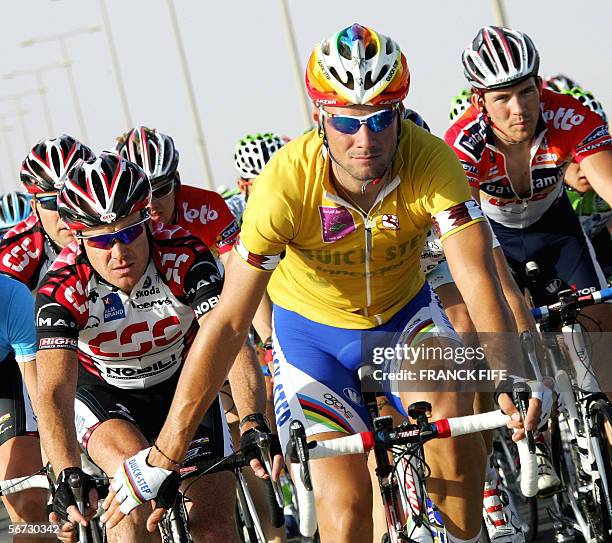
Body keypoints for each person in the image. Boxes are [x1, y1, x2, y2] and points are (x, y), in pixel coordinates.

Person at [104, 23, 546, 543]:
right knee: (347, 512)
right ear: (320, 116)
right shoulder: (285, 183)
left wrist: (511, 372)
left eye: (382, 119)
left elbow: (477, 279)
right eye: (346, 121)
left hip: (404, 323)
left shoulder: (430, 161)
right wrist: (164, 453)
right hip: (313, 341)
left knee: (454, 415)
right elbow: (226, 323)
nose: (366, 139)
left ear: (401, 113)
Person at [35, 152, 273, 543]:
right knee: (131, 489)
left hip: (184, 384)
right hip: (106, 395)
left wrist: (251, 419)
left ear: (147, 220)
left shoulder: (184, 256)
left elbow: (231, 341)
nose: (119, 252)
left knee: (214, 527)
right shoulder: (62, 287)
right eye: (103, 241)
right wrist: (65, 471)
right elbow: (53, 390)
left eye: (129, 233)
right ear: (78, 238)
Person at [446, 26, 612, 391]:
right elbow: (469, 241)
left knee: (605, 352)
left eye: (526, 92)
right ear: (480, 102)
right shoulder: (462, 145)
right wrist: (513, 306)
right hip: (494, 237)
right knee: (504, 335)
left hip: (557, 230)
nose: (519, 110)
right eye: (502, 98)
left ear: (539, 85)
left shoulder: (568, 115)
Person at [0, 135, 95, 290]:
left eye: (75, 198)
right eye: (51, 202)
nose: (65, 212)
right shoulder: (13, 255)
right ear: (34, 208)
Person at [0, 274, 48, 542]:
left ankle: (46, 533)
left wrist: (58, 458)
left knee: (30, 505)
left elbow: (39, 390)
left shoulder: (10, 295)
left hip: (5, 378)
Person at [223, 133, 287, 224]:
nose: (269, 192)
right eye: (259, 186)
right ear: (242, 186)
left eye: (277, 183)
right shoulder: (233, 209)